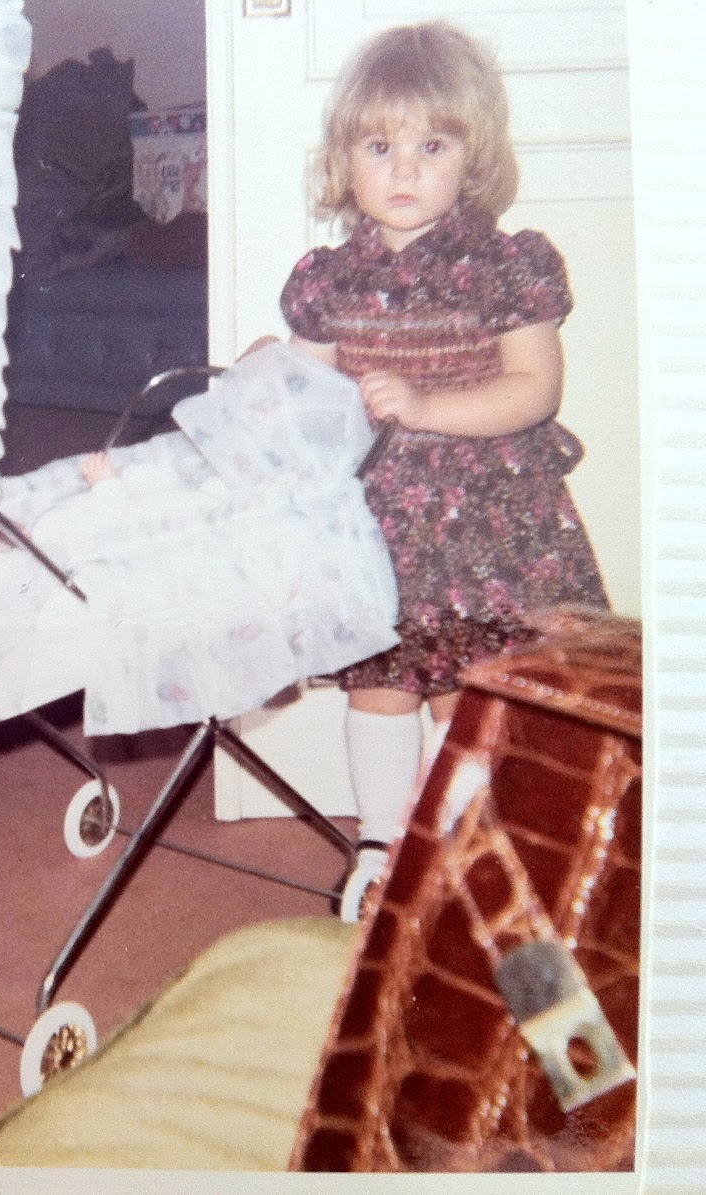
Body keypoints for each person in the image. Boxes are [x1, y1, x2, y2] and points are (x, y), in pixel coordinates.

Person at [274, 21, 608, 914]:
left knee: (469, 690)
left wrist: (424, 408)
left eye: (432, 146)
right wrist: (268, 390)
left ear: (474, 157)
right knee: (380, 681)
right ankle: (381, 845)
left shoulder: (505, 267)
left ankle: (471, 849)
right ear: (344, 161)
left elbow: (534, 388)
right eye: (379, 147)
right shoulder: (327, 281)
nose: (405, 170)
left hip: (481, 521)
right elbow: (303, 396)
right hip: (375, 523)